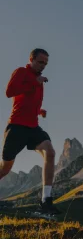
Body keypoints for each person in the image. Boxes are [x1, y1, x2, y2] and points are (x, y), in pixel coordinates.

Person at [1, 48, 60, 214]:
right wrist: (36, 81)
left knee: (50, 152)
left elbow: (29, 99)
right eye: (40, 62)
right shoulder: (21, 72)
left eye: (46, 64)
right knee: (4, 169)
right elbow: (9, 92)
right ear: (31, 59)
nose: (43, 66)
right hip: (16, 127)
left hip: (33, 127)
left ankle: (46, 201)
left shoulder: (38, 80)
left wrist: (39, 111)